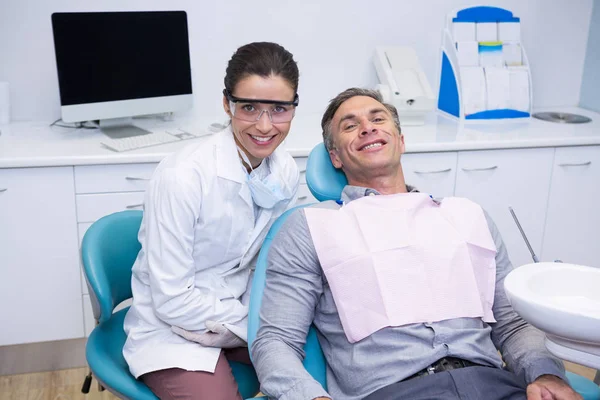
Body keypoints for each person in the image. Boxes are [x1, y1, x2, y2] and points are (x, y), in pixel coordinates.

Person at [251, 88, 582, 400]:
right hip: (393, 391)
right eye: (351, 126)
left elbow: (513, 324)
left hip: (493, 385)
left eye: (378, 119)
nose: (367, 128)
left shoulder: (467, 217)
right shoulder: (311, 228)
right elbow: (275, 341)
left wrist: (545, 374)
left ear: (401, 140)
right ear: (335, 157)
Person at [123, 42, 301, 400]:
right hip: (172, 329)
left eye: (279, 109)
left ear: (294, 107)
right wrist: (248, 327)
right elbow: (171, 299)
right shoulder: (182, 176)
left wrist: (249, 325)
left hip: (240, 313)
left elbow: (268, 267)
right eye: (249, 107)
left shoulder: (285, 170)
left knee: (316, 367)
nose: (265, 126)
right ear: (227, 104)